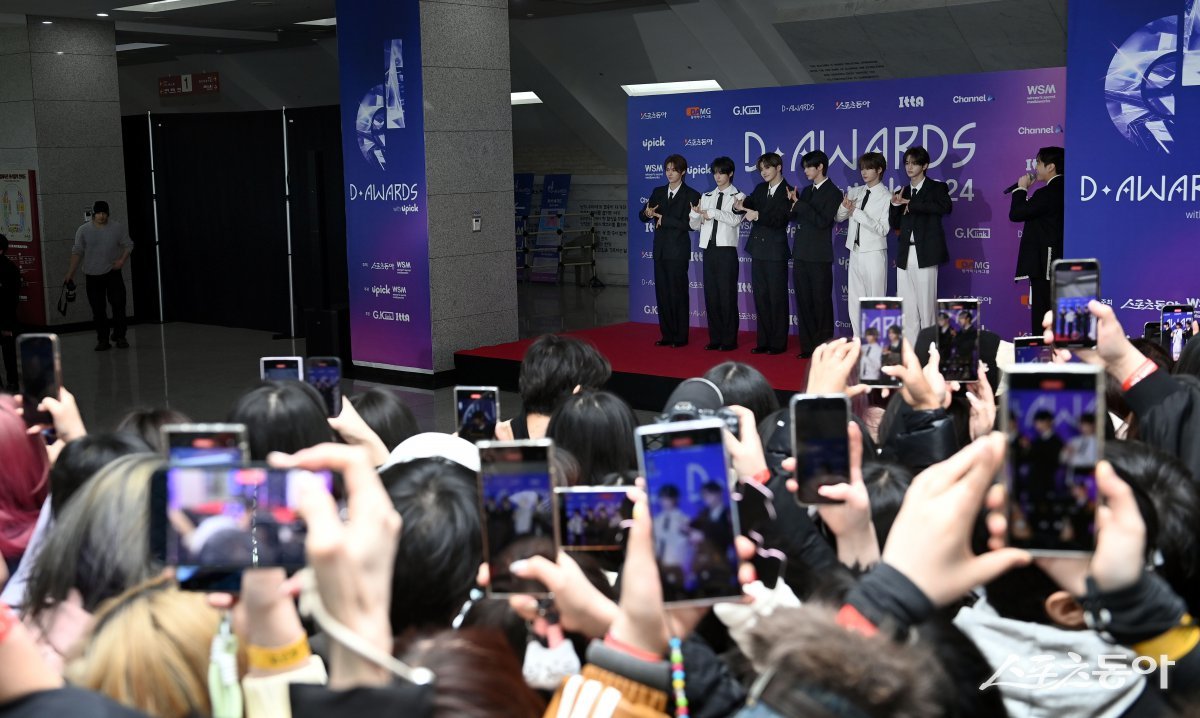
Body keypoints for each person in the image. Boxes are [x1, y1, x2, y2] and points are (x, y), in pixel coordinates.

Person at [889, 147, 951, 342]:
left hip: (926, 253)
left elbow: (945, 207)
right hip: (905, 254)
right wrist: (894, 205)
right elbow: (896, 224)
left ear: (924, 166)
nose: (909, 166)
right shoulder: (902, 190)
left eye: (914, 163)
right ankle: (912, 354)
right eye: (907, 163)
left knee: (926, 308)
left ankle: (931, 353)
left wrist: (911, 203)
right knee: (907, 309)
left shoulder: (936, 187)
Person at [639, 154, 700, 348]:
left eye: (674, 169)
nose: (670, 173)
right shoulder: (657, 191)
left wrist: (665, 220)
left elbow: (691, 225)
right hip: (660, 251)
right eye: (667, 169)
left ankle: (680, 336)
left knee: (678, 293)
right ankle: (667, 335)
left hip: (678, 251)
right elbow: (643, 215)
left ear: (683, 171)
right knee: (663, 294)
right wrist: (647, 213)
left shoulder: (692, 194)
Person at [736, 153, 793, 355]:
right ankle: (763, 341)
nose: (764, 172)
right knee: (761, 297)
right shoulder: (760, 188)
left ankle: (778, 343)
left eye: (767, 167)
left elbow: (781, 219)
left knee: (777, 298)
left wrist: (758, 215)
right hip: (758, 250)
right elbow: (749, 203)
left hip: (776, 252)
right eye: (761, 169)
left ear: (779, 167)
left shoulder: (789, 191)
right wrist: (739, 206)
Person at [787, 150, 841, 358]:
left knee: (821, 303)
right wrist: (793, 203)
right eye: (805, 167)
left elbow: (822, 222)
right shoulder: (807, 191)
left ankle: (824, 349)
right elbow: (796, 216)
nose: (806, 170)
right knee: (804, 302)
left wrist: (800, 204)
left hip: (819, 256)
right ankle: (808, 347)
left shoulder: (833, 192)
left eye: (810, 166)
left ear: (820, 167)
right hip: (801, 253)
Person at [689, 156, 745, 352]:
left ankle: (729, 340)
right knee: (711, 295)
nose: (717, 176)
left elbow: (735, 220)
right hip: (709, 250)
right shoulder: (706, 196)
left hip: (727, 251)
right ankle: (715, 338)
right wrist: (696, 214)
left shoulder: (739, 196)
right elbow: (694, 225)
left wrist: (712, 213)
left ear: (730, 173)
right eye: (715, 172)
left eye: (721, 172)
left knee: (727, 296)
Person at [1008, 146, 1063, 335]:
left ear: (1051, 167)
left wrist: (1021, 190)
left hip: (1045, 264)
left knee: (1042, 313)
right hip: (1058, 261)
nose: (1035, 167)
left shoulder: (1048, 192)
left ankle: (1043, 355)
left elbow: (1017, 214)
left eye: (1038, 162)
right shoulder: (1065, 188)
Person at [65, 201, 133, 351]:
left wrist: (121, 260)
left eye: (104, 213)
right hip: (92, 274)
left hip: (113, 272)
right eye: (98, 213)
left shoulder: (117, 228)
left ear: (108, 213)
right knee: (98, 308)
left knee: (118, 304)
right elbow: (77, 252)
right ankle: (103, 339)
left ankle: (120, 336)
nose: (101, 216)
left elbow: (128, 244)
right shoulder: (83, 230)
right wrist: (70, 274)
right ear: (93, 214)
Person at [837, 153, 892, 338]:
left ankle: (877, 344)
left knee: (875, 299)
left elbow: (883, 229)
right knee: (855, 300)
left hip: (874, 253)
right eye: (862, 168)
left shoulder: (886, 197)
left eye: (868, 168)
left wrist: (858, 213)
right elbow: (839, 217)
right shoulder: (855, 192)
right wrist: (845, 207)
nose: (864, 172)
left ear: (879, 170)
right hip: (855, 252)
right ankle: (858, 340)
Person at [0, 233, 21, 391]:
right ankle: (12, 381)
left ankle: (12, 380)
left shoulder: (8, 269)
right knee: (9, 351)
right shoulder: (12, 268)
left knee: (8, 351)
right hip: (8, 317)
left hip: (5, 317)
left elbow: (11, 297)